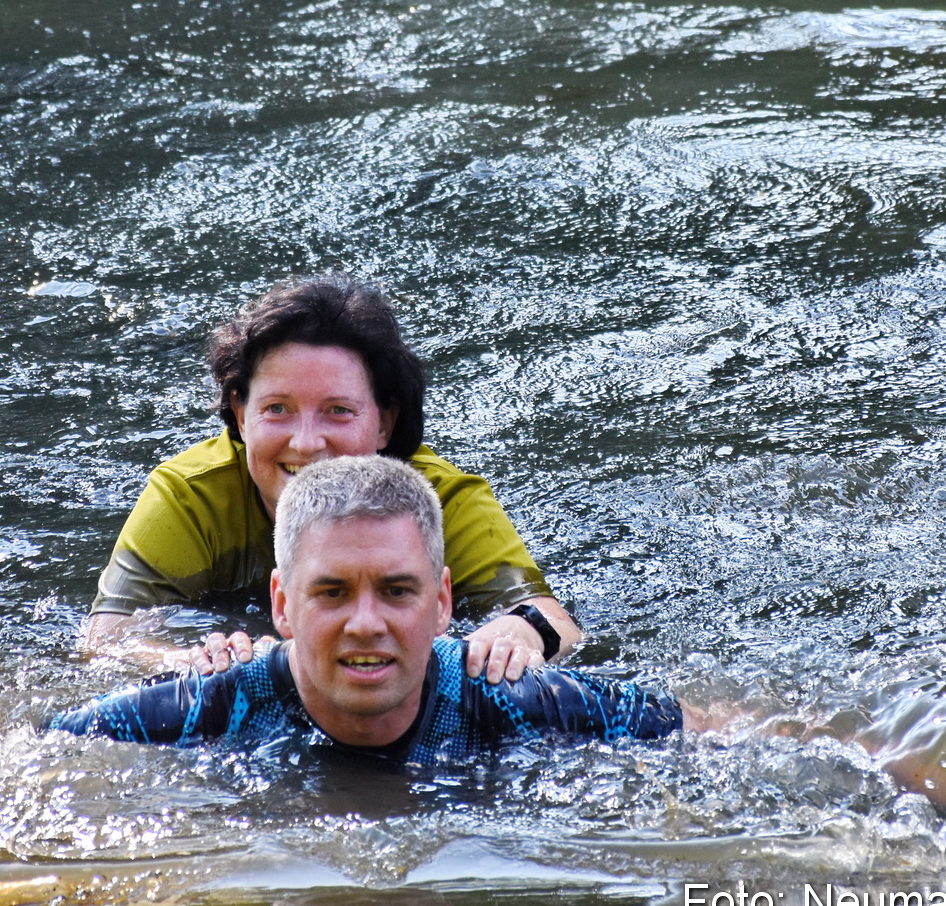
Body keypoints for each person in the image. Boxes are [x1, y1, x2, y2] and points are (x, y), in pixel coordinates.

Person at [83, 274, 583, 685]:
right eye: (277, 409)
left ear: (385, 422)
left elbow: (552, 621)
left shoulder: (438, 497)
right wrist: (187, 661)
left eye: (338, 412)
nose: (306, 443)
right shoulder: (189, 496)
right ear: (239, 413)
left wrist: (515, 636)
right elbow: (108, 636)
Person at [52, 456, 680, 758]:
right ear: (281, 605)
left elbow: (732, 733)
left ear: (442, 604)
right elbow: (32, 756)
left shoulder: (513, 699)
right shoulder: (200, 709)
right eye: (331, 592)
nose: (366, 623)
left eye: (398, 590)